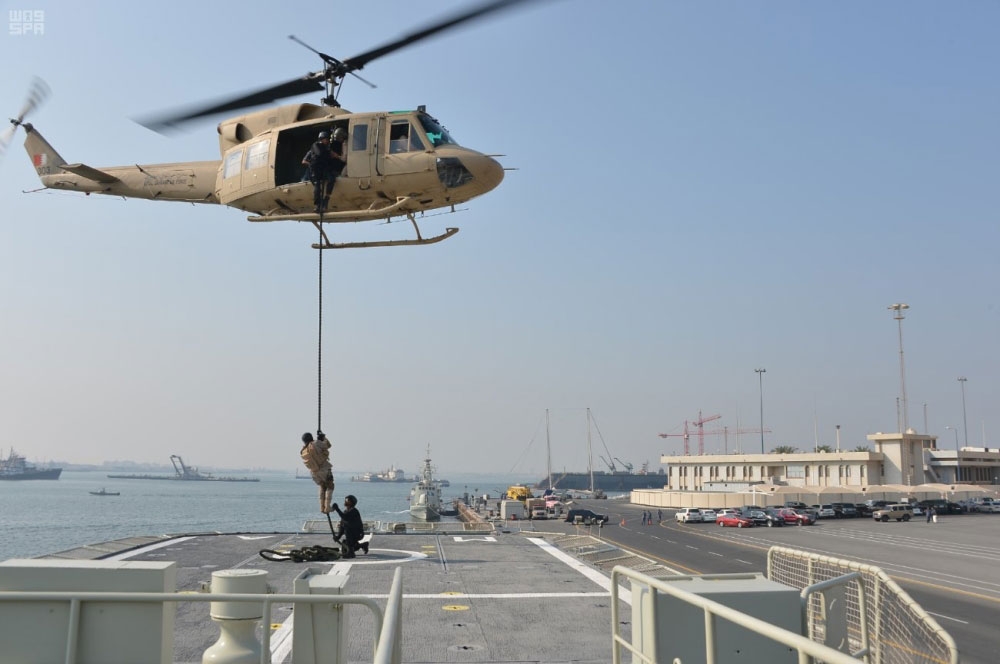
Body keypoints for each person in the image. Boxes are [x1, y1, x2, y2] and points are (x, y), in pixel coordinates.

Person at [301, 129, 346, 213]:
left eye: (328, 139)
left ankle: (326, 199)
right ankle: (318, 205)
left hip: (324, 170)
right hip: (316, 171)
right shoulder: (314, 149)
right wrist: (311, 165)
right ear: (321, 139)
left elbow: (333, 157)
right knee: (317, 187)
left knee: (331, 179)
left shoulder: (327, 150)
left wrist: (338, 157)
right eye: (326, 139)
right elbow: (304, 161)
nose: (327, 141)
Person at [300, 431, 334, 513]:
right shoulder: (316, 443)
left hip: (314, 472)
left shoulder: (303, 451)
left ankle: (322, 507)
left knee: (322, 487)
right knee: (330, 486)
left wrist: (320, 440)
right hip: (324, 469)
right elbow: (328, 445)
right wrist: (323, 438)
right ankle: (327, 507)